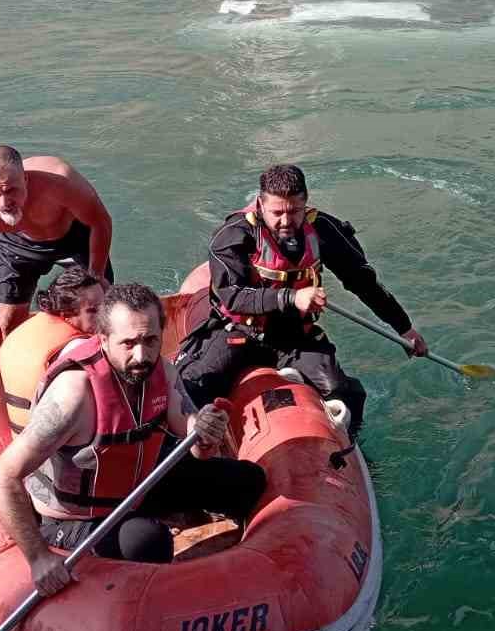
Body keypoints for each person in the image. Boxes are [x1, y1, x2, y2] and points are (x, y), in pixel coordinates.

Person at [0, 283, 268, 595]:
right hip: (77, 517)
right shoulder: (73, 395)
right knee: (147, 541)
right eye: (128, 343)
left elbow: (192, 437)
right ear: (104, 339)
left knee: (247, 481)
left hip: (136, 486)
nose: (141, 356)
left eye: (150, 341)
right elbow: (2, 477)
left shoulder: (161, 370)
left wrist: (203, 431)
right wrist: (38, 558)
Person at [176, 163, 428, 436]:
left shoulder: (322, 228)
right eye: (277, 212)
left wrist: (404, 327)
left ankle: (342, 454)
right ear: (260, 204)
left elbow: (363, 282)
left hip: (294, 337)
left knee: (346, 393)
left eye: (294, 211)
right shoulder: (233, 236)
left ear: (305, 203)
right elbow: (232, 296)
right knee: (191, 386)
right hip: (238, 332)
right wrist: (291, 296)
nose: (286, 221)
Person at [0, 145, 114, 396]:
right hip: (17, 243)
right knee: (9, 321)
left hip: (73, 238)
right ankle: (24, 385)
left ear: (25, 178)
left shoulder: (61, 181)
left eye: (11, 190)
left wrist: (96, 276)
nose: (4, 202)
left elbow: (100, 222)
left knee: (94, 310)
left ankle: (102, 373)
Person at [0, 267, 106, 431]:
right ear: (65, 313)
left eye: (105, 307)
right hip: (53, 446)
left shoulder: (23, 330)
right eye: (93, 310)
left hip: (21, 436)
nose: (104, 316)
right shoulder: (77, 348)